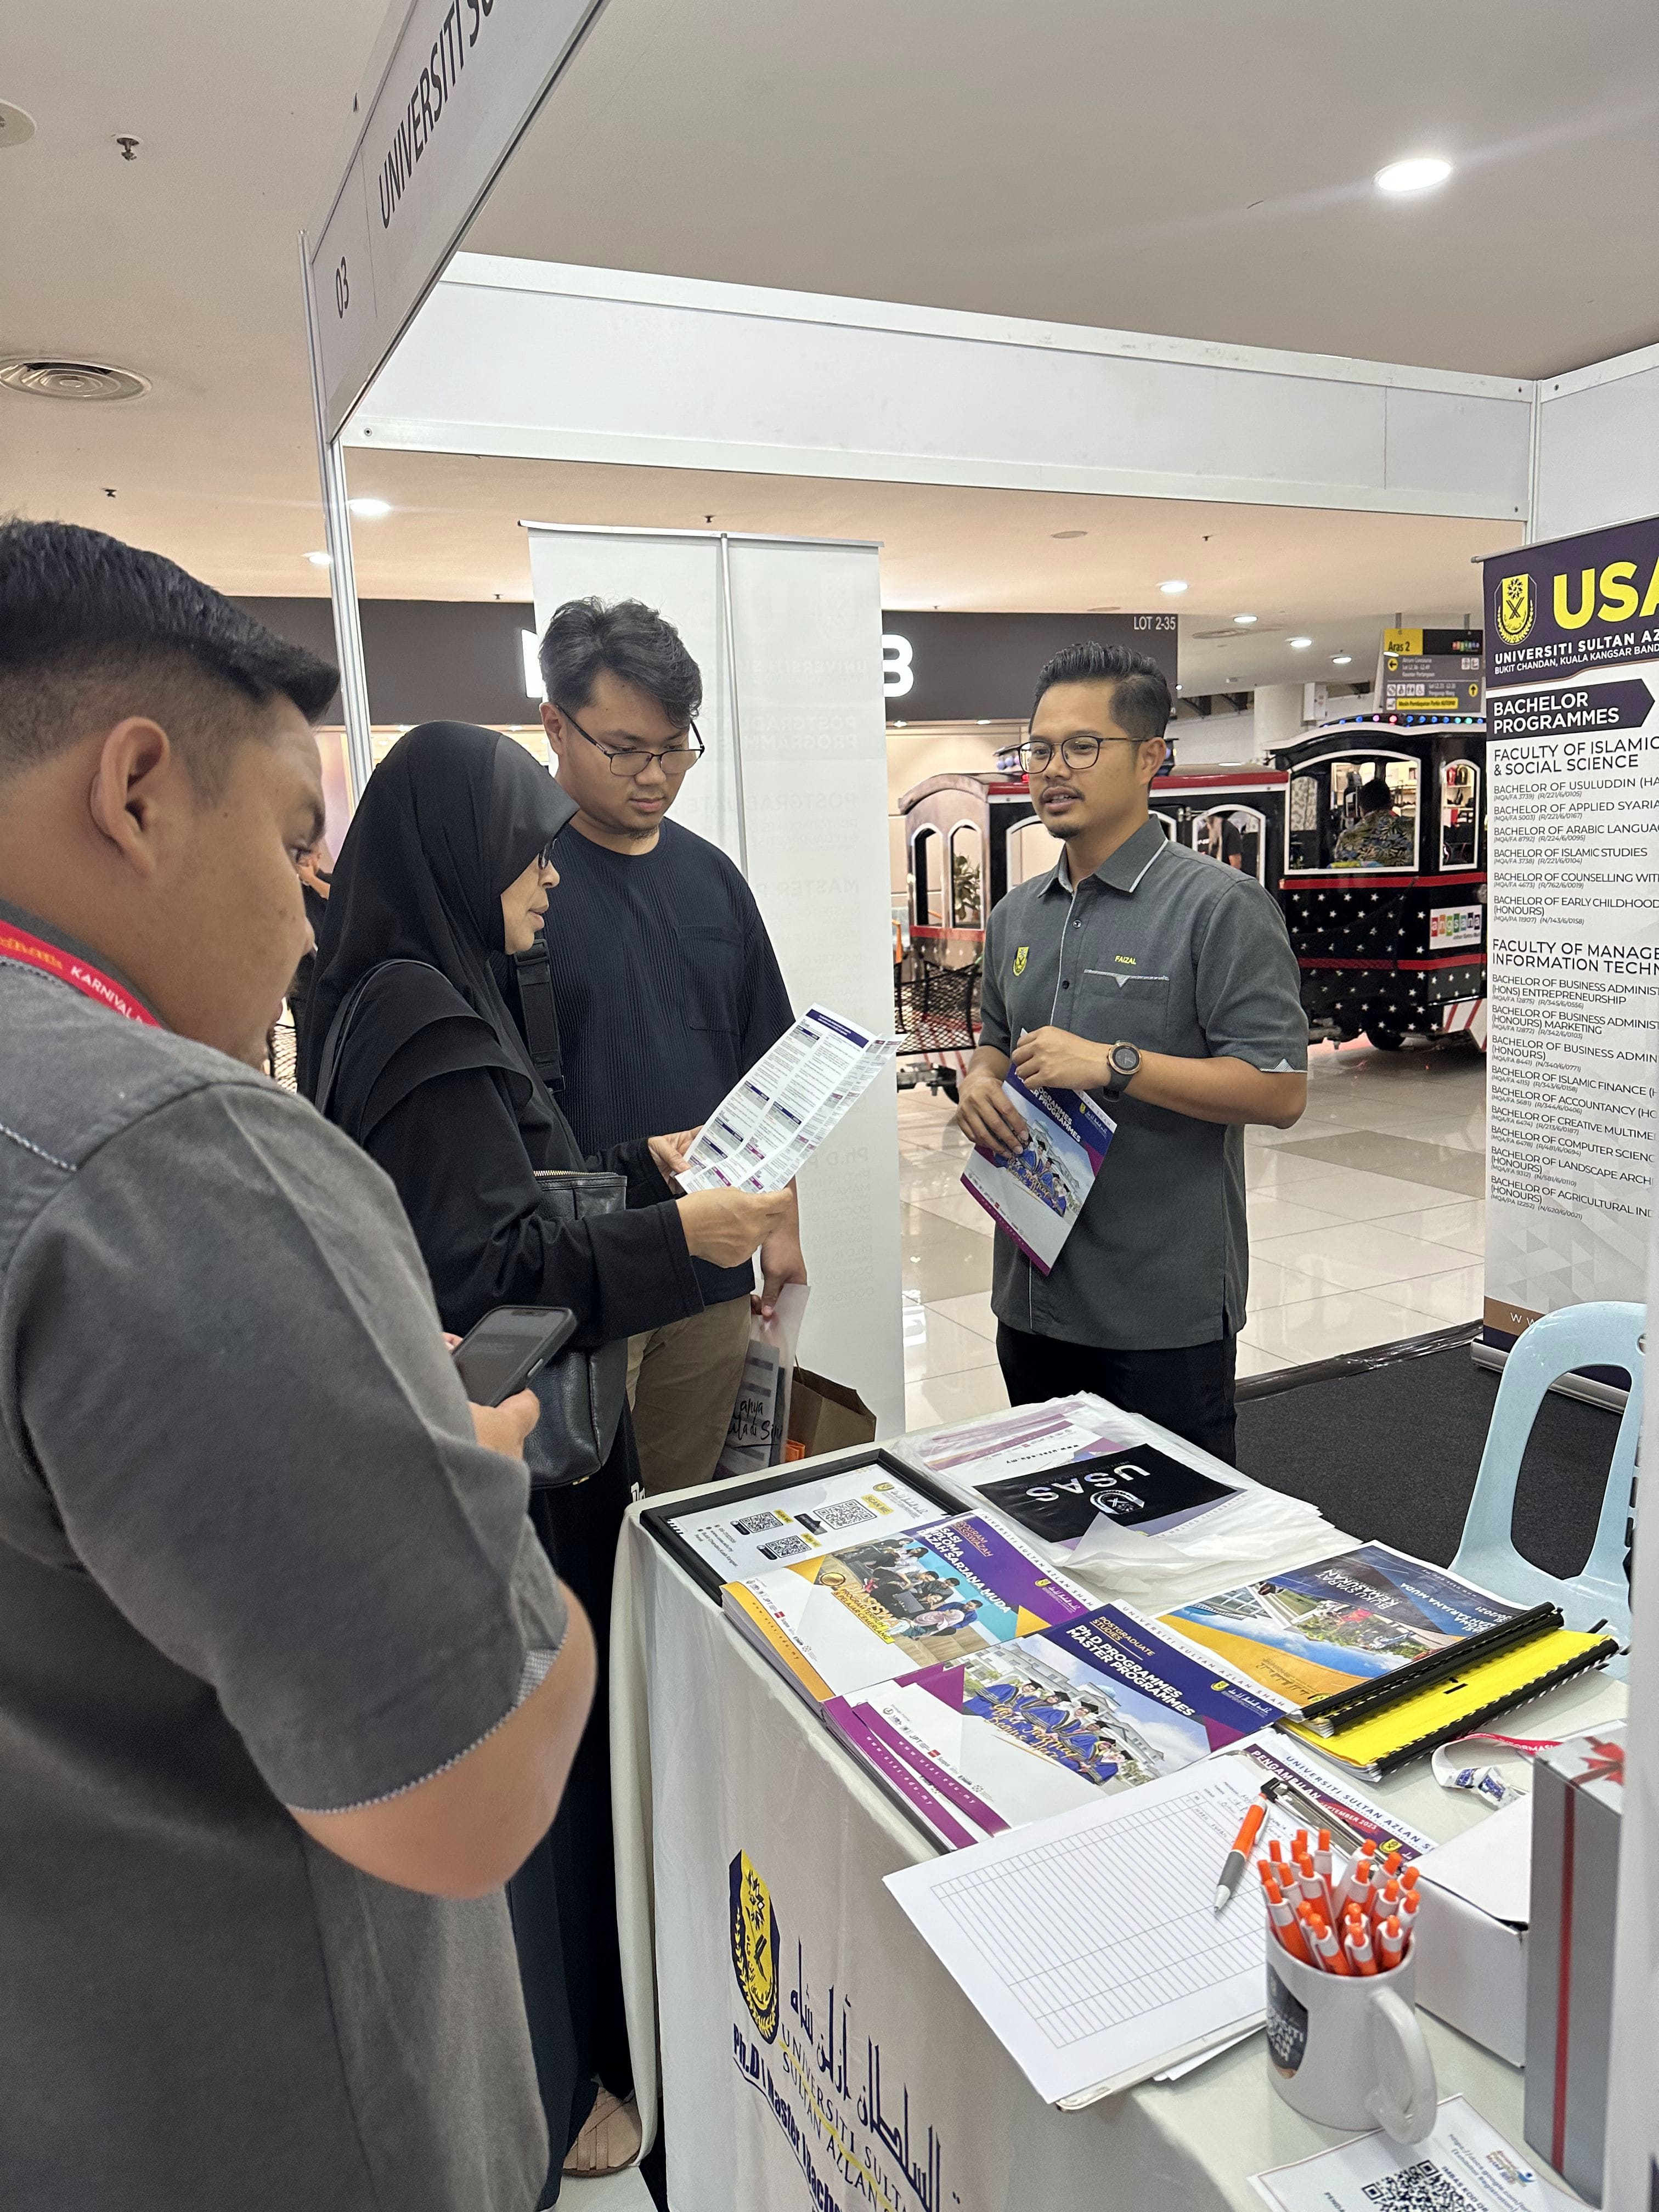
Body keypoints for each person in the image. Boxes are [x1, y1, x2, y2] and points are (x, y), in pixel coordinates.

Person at [0, 520, 597, 2212]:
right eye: (286, 840)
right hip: (255, 2113)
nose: (304, 910)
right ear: (137, 791)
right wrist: (469, 1488)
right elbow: (466, 1794)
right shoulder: (172, 1155)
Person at [297, 719, 786, 2196]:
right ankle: (565, 2084)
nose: (550, 881)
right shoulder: (425, 1024)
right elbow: (492, 1269)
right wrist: (681, 1239)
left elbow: (504, 1190)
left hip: (490, 1453)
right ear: (463, 856)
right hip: (519, 1458)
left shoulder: (417, 995)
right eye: (527, 854)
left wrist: (637, 1170)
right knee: (551, 1771)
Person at [954, 640, 1308, 1464]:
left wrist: (1115, 1064)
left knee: (1175, 1528)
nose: (1053, 770)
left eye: (1083, 747)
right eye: (1039, 749)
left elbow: (1279, 1090)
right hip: (1032, 1297)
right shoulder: (1016, 915)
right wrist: (980, 1081)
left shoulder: (1220, 907)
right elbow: (997, 1042)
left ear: (1151, 758)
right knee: (1050, 1520)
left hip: (1160, 1314)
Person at [535, 597, 806, 1494]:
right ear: (556, 726)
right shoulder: (522, 882)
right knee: (584, 1522)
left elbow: (767, 1066)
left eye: (674, 748)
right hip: (584, 1278)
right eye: (624, 750)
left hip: (712, 1273)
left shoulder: (712, 879)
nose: (654, 776)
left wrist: (783, 1232)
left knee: (686, 1507)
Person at [1333, 775, 1414, 866]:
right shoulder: (1413, 828)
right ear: (1391, 803)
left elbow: (1340, 869)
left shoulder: (1346, 837)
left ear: (1361, 809)